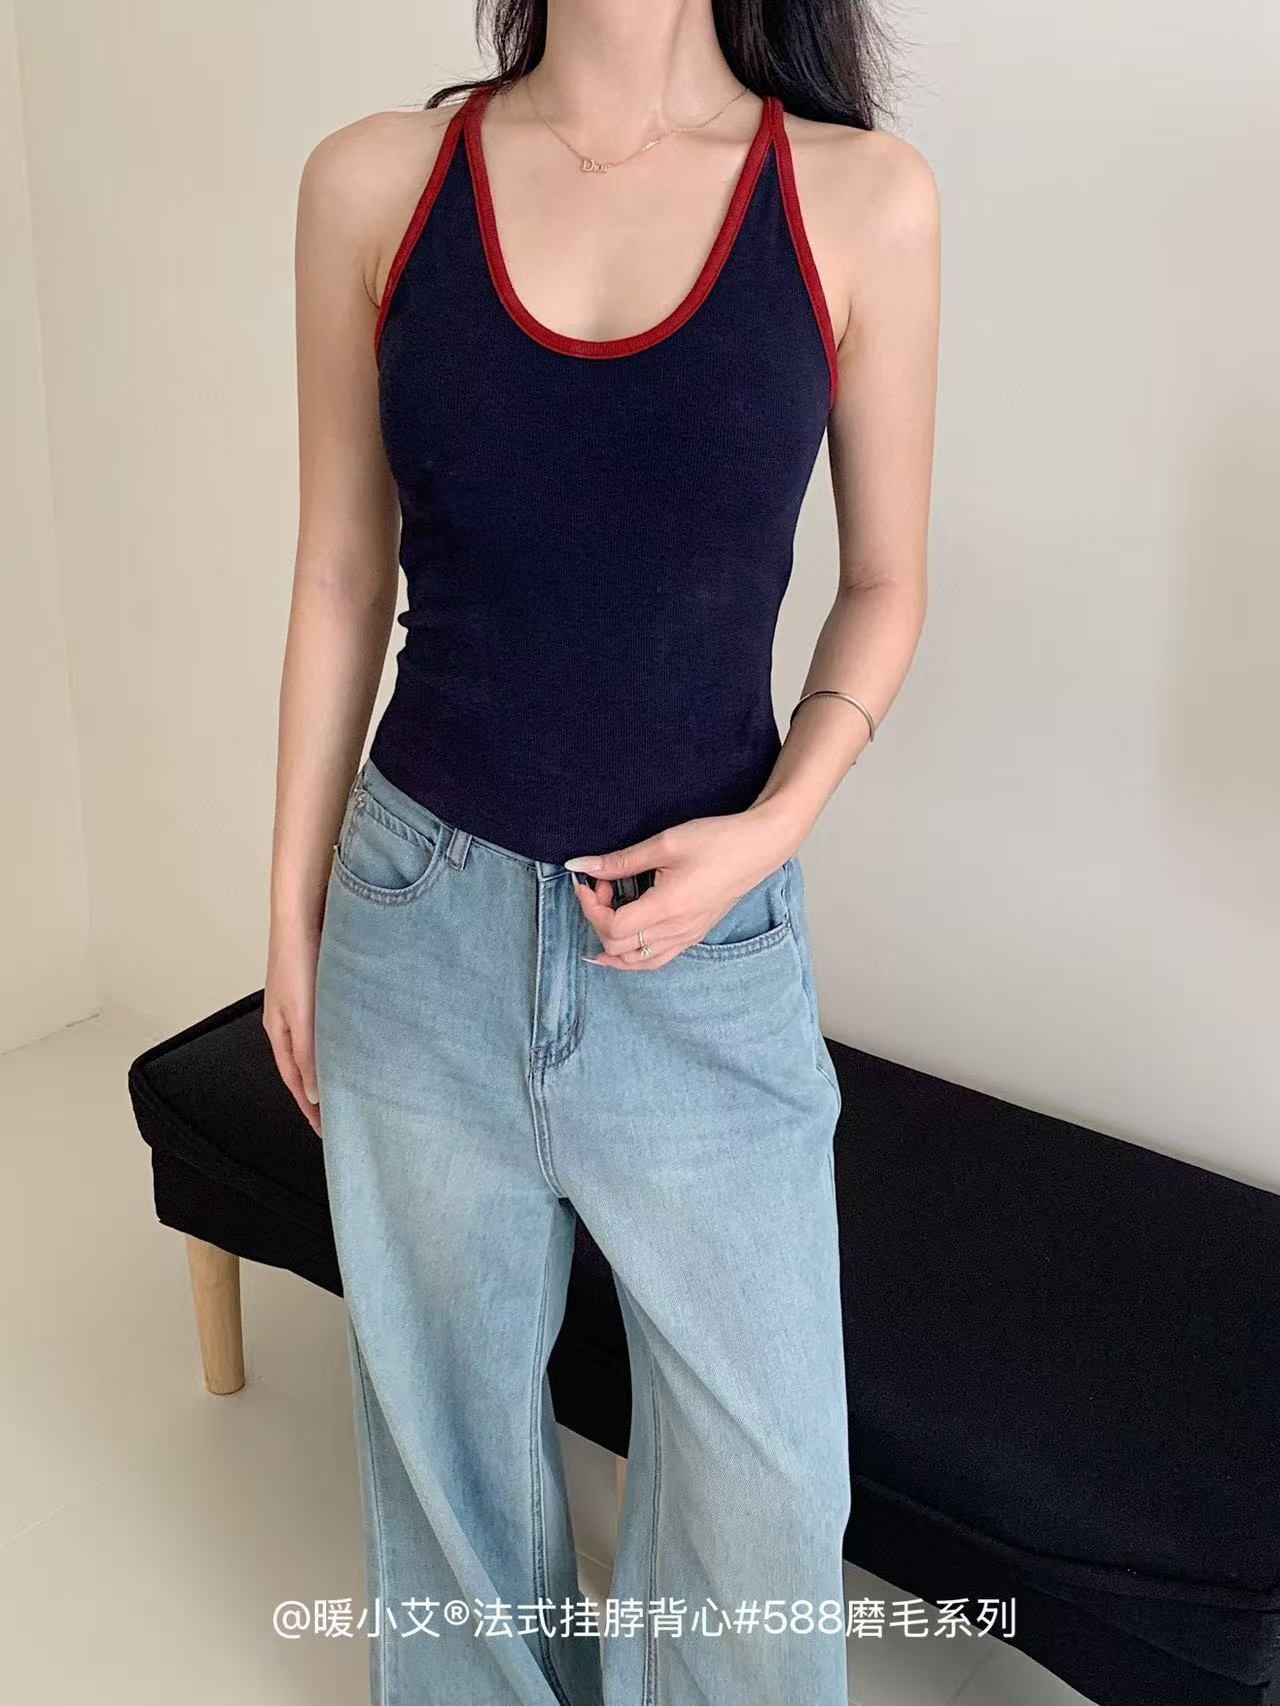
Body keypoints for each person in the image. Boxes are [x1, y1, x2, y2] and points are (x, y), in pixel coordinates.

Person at [264, 2, 938, 1701]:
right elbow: (340, 571)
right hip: (415, 916)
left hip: (704, 952)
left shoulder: (860, 199)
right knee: (444, 1457)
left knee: (766, 1495)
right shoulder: (374, 184)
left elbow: (885, 583)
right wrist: (290, 915)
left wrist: (773, 825)